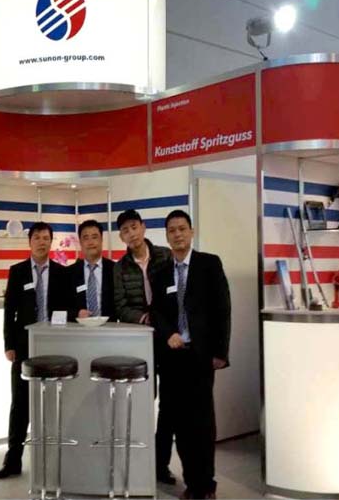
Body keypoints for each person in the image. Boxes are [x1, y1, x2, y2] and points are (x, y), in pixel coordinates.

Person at [150, 210, 231, 500]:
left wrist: (221, 352)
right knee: (181, 426)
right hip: (173, 357)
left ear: (191, 232)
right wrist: (168, 333)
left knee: (202, 423)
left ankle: (207, 484)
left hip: (201, 356)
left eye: (182, 229)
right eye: (172, 230)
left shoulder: (209, 264)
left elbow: (223, 308)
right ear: (167, 236)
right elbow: (157, 311)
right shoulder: (160, 272)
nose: (177, 234)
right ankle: (192, 484)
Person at [0, 221, 68, 479]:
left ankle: (51, 461)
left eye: (46, 238)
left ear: (51, 241)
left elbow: (67, 309)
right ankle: (12, 460)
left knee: (52, 404)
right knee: (20, 404)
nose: (42, 242)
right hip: (24, 346)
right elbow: (9, 310)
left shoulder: (61, 273)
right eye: (37, 237)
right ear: (30, 242)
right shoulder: (18, 271)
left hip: (53, 345)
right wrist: (9, 344)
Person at [112, 209, 176, 484]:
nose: (131, 234)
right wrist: (143, 318)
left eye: (134, 227)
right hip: (139, 339)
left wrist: (164, 321)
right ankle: (141, 461)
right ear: (121, 237)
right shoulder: (120, 267)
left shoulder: (165, 256)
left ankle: (161, 464)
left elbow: (176, 294)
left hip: (168, 337)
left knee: (169, 402)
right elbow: (120, 306)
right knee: (143, 399)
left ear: (143, 227)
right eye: (125, 230)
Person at [66, 219, 116, 321]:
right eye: (86, 238)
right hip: (79, 328)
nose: (90, 242)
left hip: (109, 327)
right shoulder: (69, 272)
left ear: (101, 240)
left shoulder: (115, 269)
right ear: (80, 242)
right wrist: (76, 314)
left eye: (94, 237)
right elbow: (62, 306)